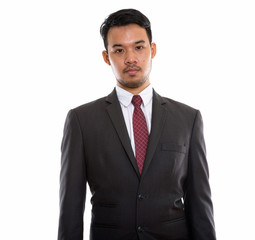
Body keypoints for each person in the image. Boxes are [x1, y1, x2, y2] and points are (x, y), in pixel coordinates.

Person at [58, 8, 216, 240]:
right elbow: (70, 206)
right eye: (119, 50)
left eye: (139, 47)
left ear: (152, 50)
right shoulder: (82, 120)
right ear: (106, 57)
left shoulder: (188, 119)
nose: (130, 58)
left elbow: (200, 201)